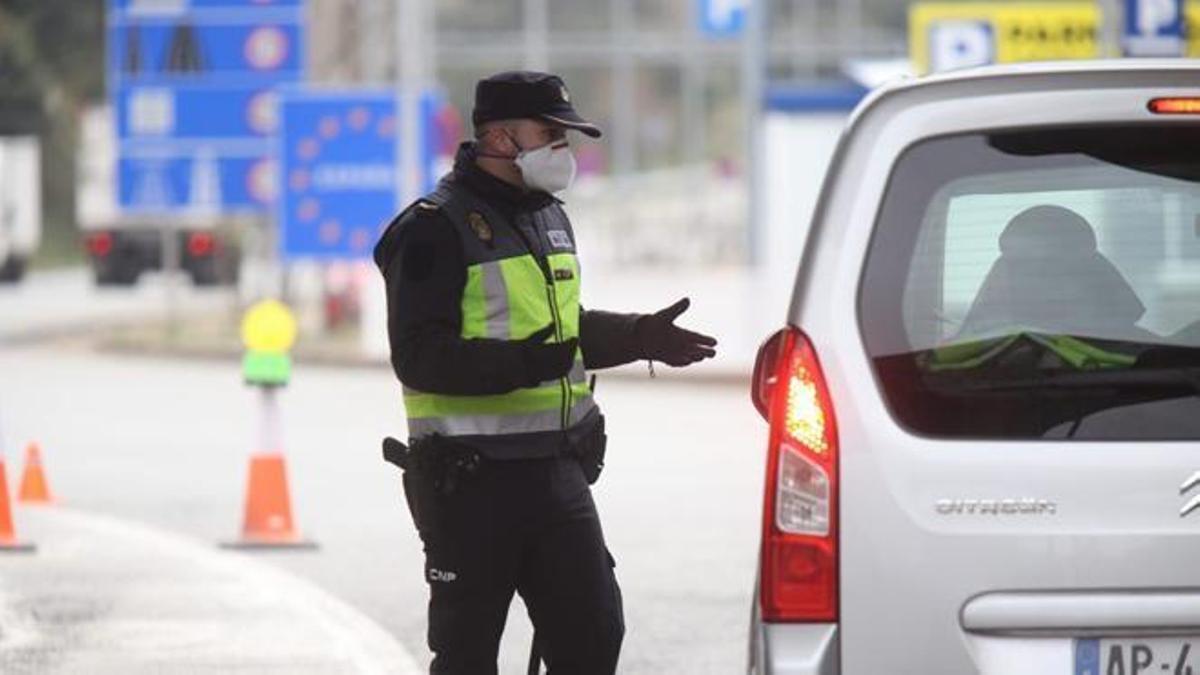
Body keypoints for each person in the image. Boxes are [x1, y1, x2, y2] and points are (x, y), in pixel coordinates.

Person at [373, 71, 717, 674]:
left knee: (594, 635)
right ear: (499, 138)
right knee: (467, 656)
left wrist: (638, 336)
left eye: (565, 136)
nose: (563, 148)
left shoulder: (549, 218)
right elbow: (419, 355)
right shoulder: (432, 228)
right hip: (469, 483)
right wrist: (524, 364)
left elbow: (563, 331)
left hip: (556, 474)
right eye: (549, 134)